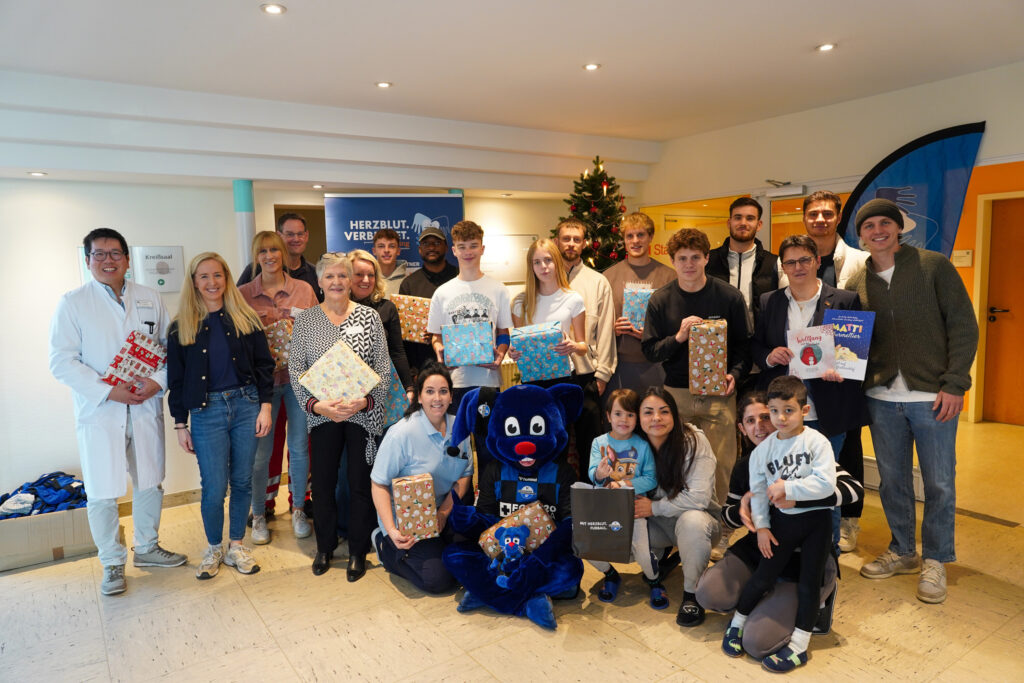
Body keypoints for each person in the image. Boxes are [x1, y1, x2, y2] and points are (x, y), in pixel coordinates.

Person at [847, 198, 979, 604]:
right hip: (881, 398)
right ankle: (903, 551)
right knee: (892, 481)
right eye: (869, 226)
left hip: (933, 396)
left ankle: (936, 559)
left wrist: (955, 384)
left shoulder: (933, 266)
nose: (878, 231)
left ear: (899, 227)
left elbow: (963, 326)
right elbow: (851, 343)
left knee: (939, 482)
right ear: (861, 235)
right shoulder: (857, 282)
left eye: (885, 223)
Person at [49, 228, 187, 596]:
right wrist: (109, 391)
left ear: (127, 259)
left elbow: (168, 349)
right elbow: (61, 361)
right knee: (101, 490)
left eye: (115, 253)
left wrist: (157, 382)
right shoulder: (73, 303)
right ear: (87, 260)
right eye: (99, 254)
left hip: (143, 406)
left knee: (150, 480)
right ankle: (111, 562)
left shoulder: (149, 297)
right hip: (101, 411)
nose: (108, 260)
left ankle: (147, 548)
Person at [696, 391, 863, 659]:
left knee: (757, 641)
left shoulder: (807, 449)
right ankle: (759, 601)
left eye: (766, 416)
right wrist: (745, 509)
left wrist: (797, 495)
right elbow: (727, 515)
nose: (760, 426)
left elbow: (854, 489)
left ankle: (807, 601)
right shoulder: (746, 465)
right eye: (750, 421)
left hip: (803, 556)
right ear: (741, 428)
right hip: (763, 548)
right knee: (709, 593)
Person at [752, 234, 869, 548]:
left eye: (804, 259)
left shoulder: (844, 300)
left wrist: (840, 369)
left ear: (818, 261)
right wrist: (769, 356)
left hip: (827, 410)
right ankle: (787, 549)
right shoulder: (770, 301)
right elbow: (756, 345)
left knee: (825, 485)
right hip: (783, 414)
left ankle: (827, 552)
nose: (798, 267)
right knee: (783, 480)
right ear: (783, 267)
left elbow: (857, 354)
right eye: (790, 262)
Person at [168, 252, 275, 580]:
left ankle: (236, 546)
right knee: (214, 486)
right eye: (204, 276)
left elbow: (264, 365)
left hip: (246, 405)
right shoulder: (181, 327)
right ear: (193, 282)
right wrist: (180, 423)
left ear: (227, 279)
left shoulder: (246, 318)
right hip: (206, 412)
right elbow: (176, 381)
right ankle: (214, 547)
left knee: (242, 480)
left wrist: (266, 406)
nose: (212, 282)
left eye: (218, 275)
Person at [721, 376, 836, 673]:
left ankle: (799, 646)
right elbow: (759, 492)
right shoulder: (762, 452)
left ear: (805, 410)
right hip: (782, 524)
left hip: (817, 523)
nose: (780, 418)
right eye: (774, 411)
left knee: (809, 583)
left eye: (788, 410)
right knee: (763, 576)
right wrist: (761, 526)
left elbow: (827, 484)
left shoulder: (817, 442)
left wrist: (789, 488)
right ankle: (737, 624)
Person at [289, 252, 391, 580]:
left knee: (360, 484)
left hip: (362, 415)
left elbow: (383, 366)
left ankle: (358, 550)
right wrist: (316, 406)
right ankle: (325, 546)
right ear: (319, 281)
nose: (336, 282)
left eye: (342, 276)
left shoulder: (369, 317)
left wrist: (365, 402)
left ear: (350, 280)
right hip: (323, 416)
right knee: (323, 485)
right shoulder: (306, 321)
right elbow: (295, 368)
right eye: (329, 276)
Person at [784, 190, 870, 552]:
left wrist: (844, 368)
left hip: (834, 395)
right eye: (813, 213)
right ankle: (798, 540)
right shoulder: (778, 296)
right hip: (794, 398)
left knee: (837, 466)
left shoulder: (856, 270)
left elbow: (857, 340)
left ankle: (839, 533)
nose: (820, 219)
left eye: (827, 213)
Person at [641, 228, 750, 507]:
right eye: (682, 258)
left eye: (695, 257)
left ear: (706, 258)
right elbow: (650, 350)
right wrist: (679, 337)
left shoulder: (729, 296)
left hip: (719, 394)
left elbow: (744, 346)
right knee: (675, 461)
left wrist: (734, 375)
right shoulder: (660, 300)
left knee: (722, 464)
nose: (689, 264)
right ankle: (678, 518)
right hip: (676, 395)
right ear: (673, 261)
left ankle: (721, 522)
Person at [238, 231, 319, 544]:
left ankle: (298, 508)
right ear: (256, 256)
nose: (269, 256)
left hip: (298, 382)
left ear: (283, 253)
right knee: (261, 454)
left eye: (274, 250)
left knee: (299, 449)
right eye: (263, 251)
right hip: (262, 388)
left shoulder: (304, 290)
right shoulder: (243, 294)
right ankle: (258, 514)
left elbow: (317, 333)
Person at [370, 362, 473, 593]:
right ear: (419, 397)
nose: (437, 398)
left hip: (442, 511)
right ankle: (385, 547)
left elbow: (464, 476)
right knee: (438, 580)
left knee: (469, 563)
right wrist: (392, 530)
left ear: (451, 396)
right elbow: (378, 484)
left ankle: (437, 546)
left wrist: (443, 513)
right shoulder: (401, 434)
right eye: (429, 391)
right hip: (407, 519)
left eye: (443, 391)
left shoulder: (460, 428)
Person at [427, 220, 513, 472]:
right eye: (462, 246)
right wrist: (439, 351)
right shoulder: (442, 292)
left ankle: (487, 494)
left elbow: (504, 333)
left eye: (473, 245)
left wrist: (500, 355)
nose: (468, 252)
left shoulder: (498, 289)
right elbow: (436, 336)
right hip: (455, 384)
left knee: (489, 447)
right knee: (457, 449)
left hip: (487, 381)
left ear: (482, 248)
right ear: (453, 250)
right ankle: (459, 497)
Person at [634, 387, 721, 627]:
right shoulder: (634, 445)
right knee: (621, 530)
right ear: (638, 417)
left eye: (664, 411)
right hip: (660, 525)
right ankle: (661, 559)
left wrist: (654, 508)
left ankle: (692, 595)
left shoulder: (693, 440)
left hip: (701, 524)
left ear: (674, 414)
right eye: (648, 412)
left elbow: (698, 499)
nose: (656, 418)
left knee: (691, 521)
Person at [555, 218, 617, 472]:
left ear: (584, 244)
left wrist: (602, 374)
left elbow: (605, 331)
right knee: (555, 444)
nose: (571, 244)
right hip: (552, 375)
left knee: (590, 443)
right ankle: (556, 493)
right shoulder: (544, 278)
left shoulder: (597, 282)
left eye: (576, 239)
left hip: (585, 375)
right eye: (566, 239)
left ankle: (593, 491)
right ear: (557, 241)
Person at [587, 389, 659, 603]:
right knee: (585, 545)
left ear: (637, 418)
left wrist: (623, 483)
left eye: (630, 414)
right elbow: (593, 474)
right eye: (618, 414)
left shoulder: (643, 446)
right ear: (608, 416)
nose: (624, 420)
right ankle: (610, 575)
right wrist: (599, 474)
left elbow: (651, 479)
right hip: (604, 507)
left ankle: (655, 581)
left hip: (634, 507)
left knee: (643, 554)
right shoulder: (598, 442)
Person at [602, 212, 676, 393]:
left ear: (651, 237)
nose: (635, 241)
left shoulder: (669, 276)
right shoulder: (608, 277)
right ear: (624, 240)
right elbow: (598, 325)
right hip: (620, 366)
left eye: (641, 235)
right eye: (630, 236)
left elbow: (676, 323)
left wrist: (654, 333)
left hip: (657, 365)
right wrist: (613, 329)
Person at [510, 238, 589, 380]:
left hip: (564, 375)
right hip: (532, 377)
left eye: (548, 260)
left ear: (557, 262)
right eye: (537, 262)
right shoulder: (520, 303)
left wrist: (573, 346)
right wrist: (512, 352)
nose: (543, 266)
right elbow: (518, 344)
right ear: (531, 267)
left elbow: (583, 347)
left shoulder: (573, 299)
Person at [349, 249, 414, 395]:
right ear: (347, 276)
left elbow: (397, 352)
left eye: (371, 275)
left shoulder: (387, 308)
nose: (366, 280)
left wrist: (409, 388)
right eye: (359, 274)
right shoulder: (336, 309)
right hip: (346, 388)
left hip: (382, 388)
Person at [706, 197, 779, 328]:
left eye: (750, 218)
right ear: (729, 223)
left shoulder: (774, 262)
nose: (743, 223)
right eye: (738, 217)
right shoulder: (708, 260)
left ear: (759, 225)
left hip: (759, 338)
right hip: (717, 337)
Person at [398, 226, 459, 377]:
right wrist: (412, 370)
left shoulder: (460, 277)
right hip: (424, 367)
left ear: (446, 247)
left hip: (460, 363)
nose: (431, 247)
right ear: (420, 250)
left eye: (437, 243)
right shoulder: (409, 284)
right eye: (426, 244)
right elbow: (405, 336)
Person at [237, 213, 323, 301]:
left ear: (306, 236)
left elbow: (322, 306)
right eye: (290, 234)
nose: (296, 239)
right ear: (279, 236)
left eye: (300, 234)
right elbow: (235, 302)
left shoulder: (315, 274)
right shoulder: (255, 270)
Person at [372, 228, 411, 296]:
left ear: (398, 251)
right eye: (381, 246)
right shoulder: (367, 280)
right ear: (374, 251)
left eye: (391, 246)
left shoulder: (408, 282)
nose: (386, 250)